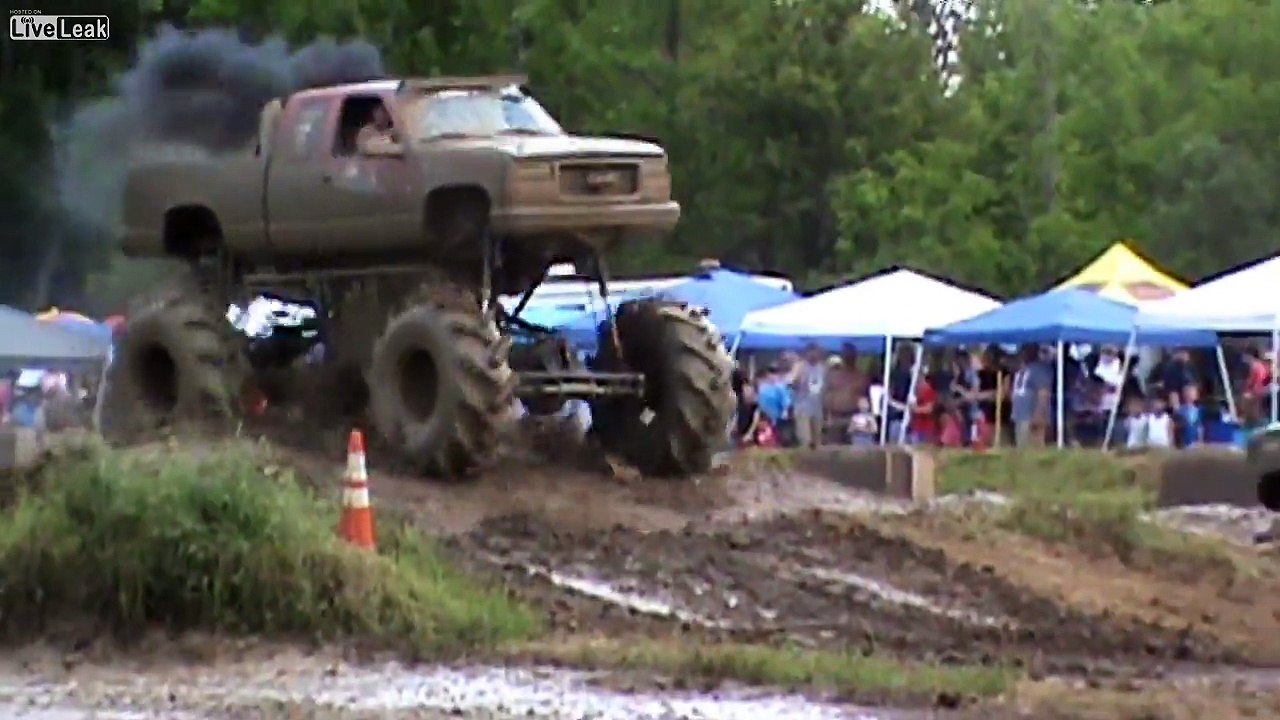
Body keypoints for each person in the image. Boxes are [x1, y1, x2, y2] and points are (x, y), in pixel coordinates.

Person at [1010, 346, 1052, 448]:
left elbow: (1043, 393)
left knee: (1033, 449)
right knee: (1022, 447)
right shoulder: (1021, 369)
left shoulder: (1040, 369)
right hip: (1020, 416)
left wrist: (1038, 415)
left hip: (1032, 416)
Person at [791, 344, 827, 450]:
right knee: (805, 440)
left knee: (817, 441)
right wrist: (798, 378)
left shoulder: (822, 368)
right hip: (802, 408)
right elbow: (792, 385)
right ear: (807, 353)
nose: (814, 355)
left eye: (817, 352)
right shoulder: (799, 366)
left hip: (817, 408)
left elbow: (825, 388)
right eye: (811, 352)